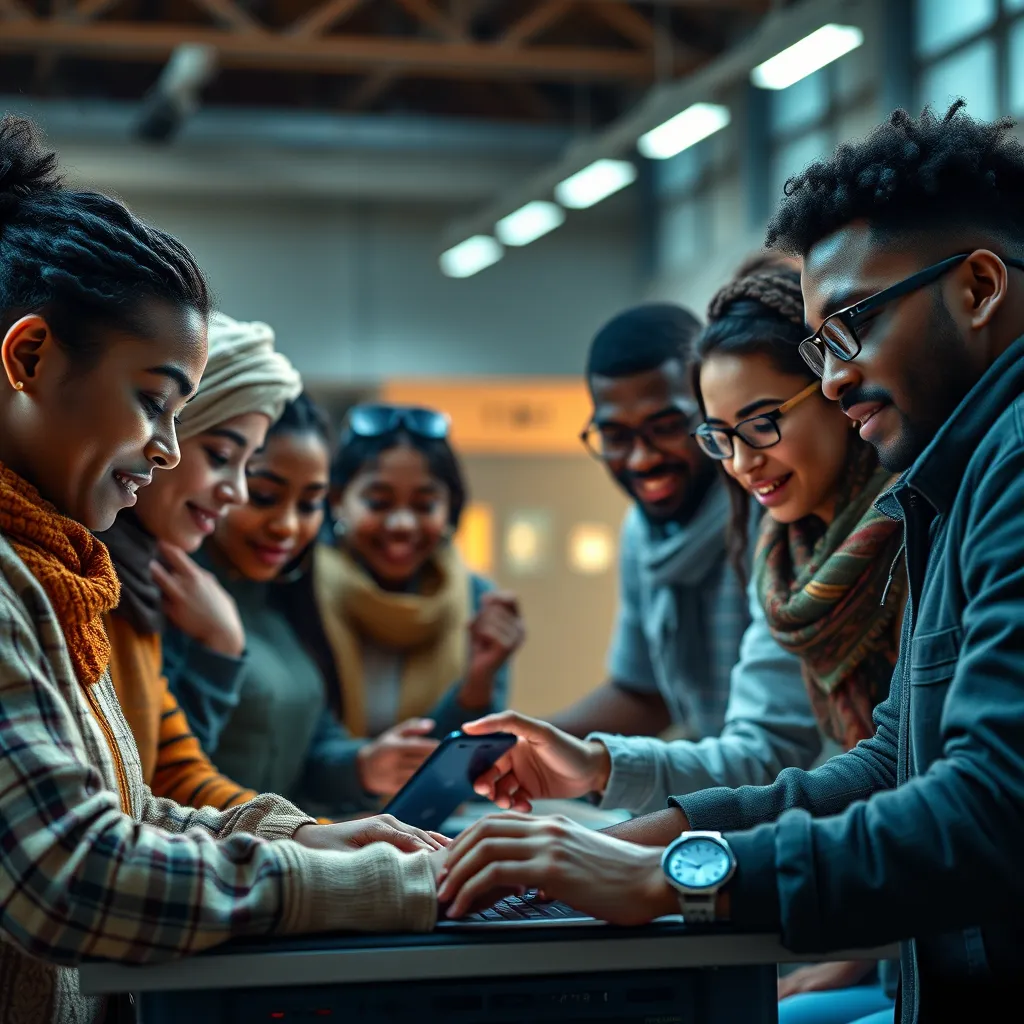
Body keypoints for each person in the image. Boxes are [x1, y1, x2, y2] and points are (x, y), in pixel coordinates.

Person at [438, 102, 1024, 1022]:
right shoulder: (945, 489)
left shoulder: (1010, 466)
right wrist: (655, 836)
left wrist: (679, 873)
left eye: (851, 331)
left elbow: (988, 814)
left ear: (980, 288)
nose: (836, 377)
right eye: (822, 347)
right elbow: (888, 766)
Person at [0, 116, 442, 1024]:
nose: (167, 450)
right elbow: (72, 874)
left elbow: (130, 809)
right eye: (155, 404)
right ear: (30, 357)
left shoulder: (55, 576)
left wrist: (307, 839)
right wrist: (358, 887)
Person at [166, 400, 523, 815]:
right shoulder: (299, 581)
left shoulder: (280, 582)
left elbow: (312, 745)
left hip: (300, 838)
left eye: (307, 504)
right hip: (253, 842)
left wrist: (363, 767)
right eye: (264, 496)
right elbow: (167, 770)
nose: (287, 525)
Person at [98, 309, 302, 811]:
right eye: (219, 455)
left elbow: (172, 774)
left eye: (247, 465)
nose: (236, 492)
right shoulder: (86, 576)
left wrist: (314, 835)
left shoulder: (139, 579)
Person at [549, 303, 751, 744]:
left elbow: (770, 748)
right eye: (617, 437)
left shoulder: (765, 508)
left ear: (710, 410)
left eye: (665, 427)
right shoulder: (641, 531)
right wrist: (519, 743)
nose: (642, 459)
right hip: (734, 790)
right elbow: (645, 694)